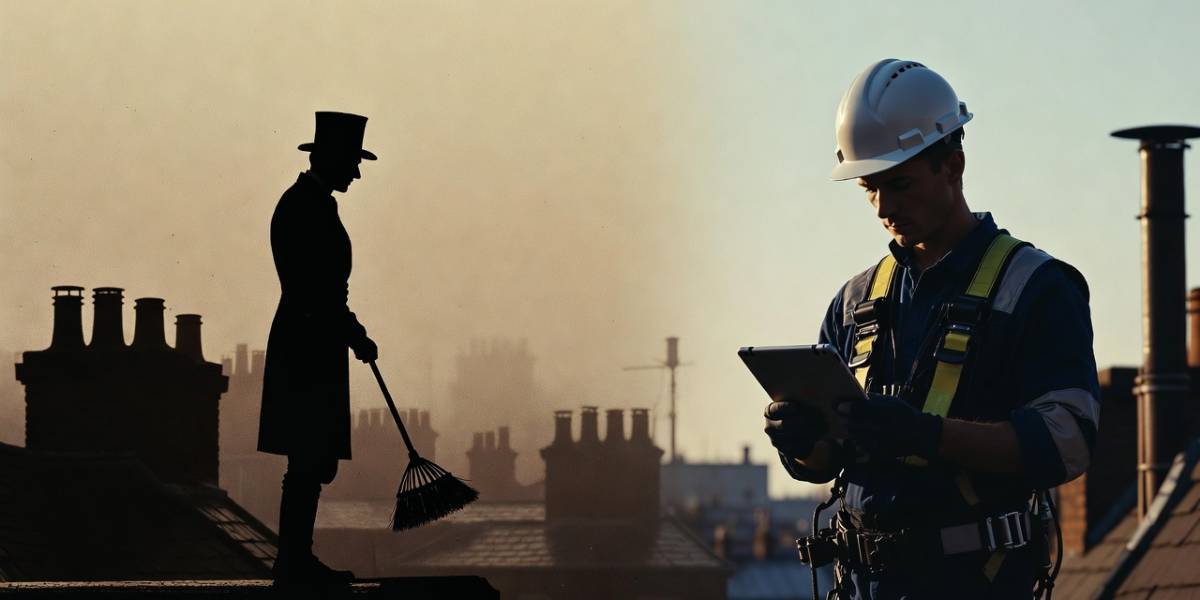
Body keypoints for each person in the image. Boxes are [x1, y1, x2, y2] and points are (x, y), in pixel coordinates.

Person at [764, 59, 1100, 599]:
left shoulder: (1037, 288)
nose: (883, 207)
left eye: (899, 184)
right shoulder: (855, 302)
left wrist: (929, 435)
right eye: (869, 187)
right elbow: (833, 459)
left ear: (954, 165)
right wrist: (805, 444)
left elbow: (1067, 443)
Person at [259, 111, 379, 585]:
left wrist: (350, 331)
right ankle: (293, 562)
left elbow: (325, 289)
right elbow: (317, 288)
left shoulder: (311, 204)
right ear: (330, 158)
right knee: (308, 459)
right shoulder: (304, 207)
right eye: (352, 161)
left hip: (312, 341)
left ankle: (296, 560)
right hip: (308, 345)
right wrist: (353, 333)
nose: (357, 171)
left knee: (311, 459)